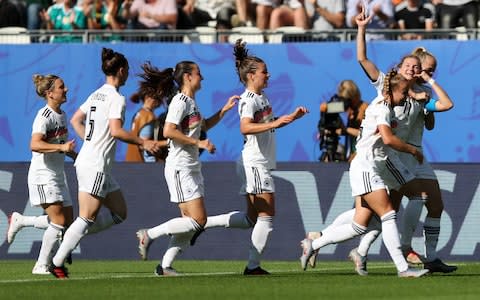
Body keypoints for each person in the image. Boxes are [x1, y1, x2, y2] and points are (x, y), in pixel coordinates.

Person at [301, 69, 429, 278]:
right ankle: (403, 268)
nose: (407, 96)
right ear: (391, 91)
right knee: (388, 214)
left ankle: (314, 243)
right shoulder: (381, 108)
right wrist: (413, 150)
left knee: (359, 226)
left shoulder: (383, 105)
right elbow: (387, 139)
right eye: (404, 92)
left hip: (379, 164)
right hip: (366, 166)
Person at [48, 48, 159, 279]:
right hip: (96, 164)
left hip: (94, 162)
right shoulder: (116, 98)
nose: (128, 74)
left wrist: (88, 140)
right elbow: (117, 131)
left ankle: (70, 237)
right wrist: (143, 142)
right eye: (127, 70)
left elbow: (75, 119)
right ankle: (57, 263)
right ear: (121, 71)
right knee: (87, 217)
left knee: (119, 212)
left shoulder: (96, 94)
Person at [134, 60, 239, 276]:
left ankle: (164, 267)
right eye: (199, 73)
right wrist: (199, 143)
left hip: (191, 167)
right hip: (180, 167)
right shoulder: (179, 102)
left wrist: (224, 110)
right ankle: (149, 234)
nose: (203, 77)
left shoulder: (191, 102)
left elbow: (203, 127)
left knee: (188, 222)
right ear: (187, 77)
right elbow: (168, 132)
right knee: (198, 221)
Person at [233, 39, 309, 274]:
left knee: (250, 219)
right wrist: (276, 121)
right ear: (251, 76)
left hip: (259, 161)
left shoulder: (262, 98)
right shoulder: (248, 99)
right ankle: (252, 266)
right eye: (264, 72)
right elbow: (245, 127)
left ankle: (202, 224)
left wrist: (290, 118)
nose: (268, 75)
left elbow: (267, 126)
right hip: (255, 162)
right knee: (267, 216)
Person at [13, 74, 77, 275]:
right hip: (42, 175)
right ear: (50, 93)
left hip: (58, 175)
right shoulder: (44, 116)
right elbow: (35, 144)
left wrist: (75, 155)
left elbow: (60, 145)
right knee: (58, 222)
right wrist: (62, 148)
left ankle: (22, 221)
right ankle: (41, 265)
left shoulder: (62, 114)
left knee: (67, 222)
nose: (65, 89)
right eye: (61, 87)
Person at [125, 62, 169, 163]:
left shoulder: (139, 113)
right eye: (159, 98)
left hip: (131, 163)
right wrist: (170, 142)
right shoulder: (148, 116)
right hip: (142, 167)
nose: (161, 101)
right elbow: (144, 144)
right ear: (150, 98)